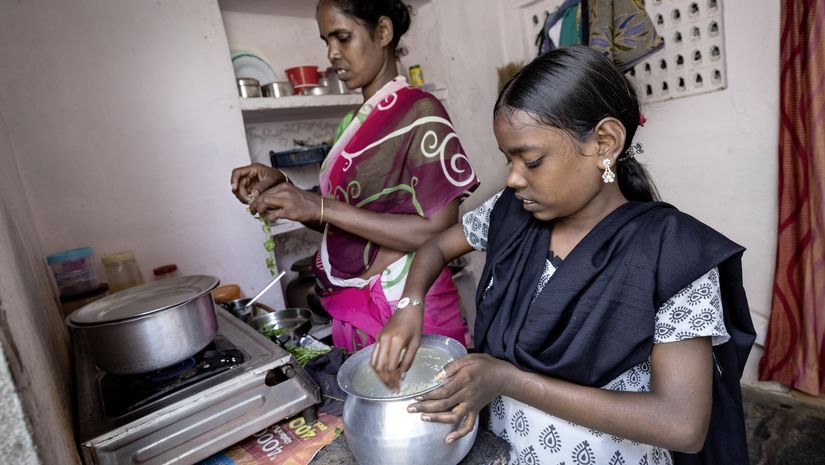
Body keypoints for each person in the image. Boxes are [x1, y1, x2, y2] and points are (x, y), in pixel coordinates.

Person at [371, 46, 755, 465]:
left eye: (532, 160)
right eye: (508, 158)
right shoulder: (509, 213)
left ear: (604, 143)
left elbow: (681, 425)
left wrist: (508, 380)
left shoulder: (672, 253)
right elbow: (433, 246)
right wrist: (410, 305)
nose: (514, 177)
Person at [230, 0, 479, 352]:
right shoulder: (351, 125)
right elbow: (344, 223)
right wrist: (286, 191)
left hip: (407, 309)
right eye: (325, 41)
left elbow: (439, 230)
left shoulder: (421, 113)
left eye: (342, 37)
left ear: (382, 32)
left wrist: (318, 205)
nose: (331, 53)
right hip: (356, 313)